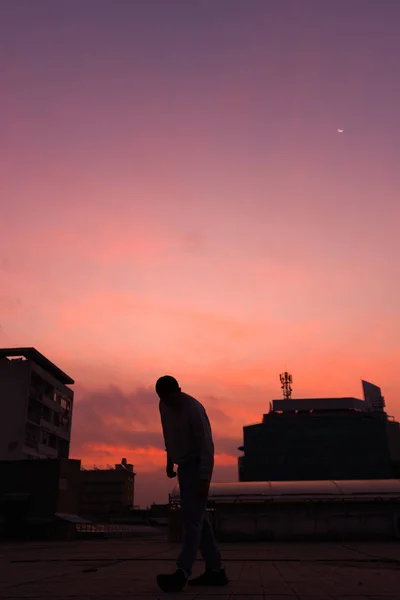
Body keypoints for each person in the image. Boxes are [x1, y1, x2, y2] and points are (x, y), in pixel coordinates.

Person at [155, 375, 229, 593]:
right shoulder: (163, 405)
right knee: (198, 519)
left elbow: (207, 447)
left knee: (192, 521)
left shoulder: (194, 410)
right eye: (164, 399)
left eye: (170, 397)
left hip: (198, 466)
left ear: (179, 390)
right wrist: (170, 461)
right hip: (184, 466)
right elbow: (168, 433)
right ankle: (216, 571)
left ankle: (182, 571)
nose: (168, 403)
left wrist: (203, 479)